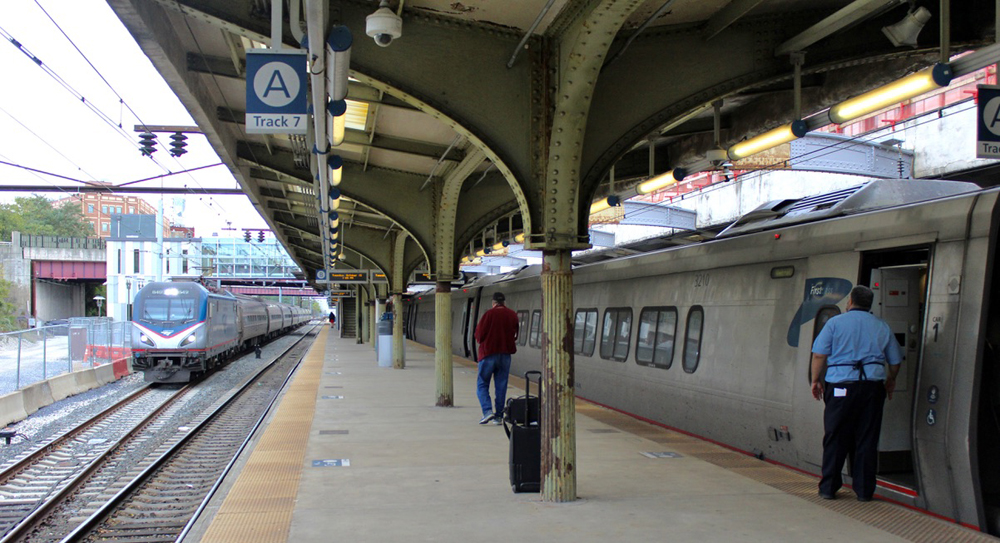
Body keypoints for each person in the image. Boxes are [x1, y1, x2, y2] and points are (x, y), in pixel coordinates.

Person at [810, 285, 902, 502]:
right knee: (867, 438)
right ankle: (864, 491)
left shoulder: (834, 323)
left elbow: (819, 356)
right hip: (872, 389)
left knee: (836, 436)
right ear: (869, 304)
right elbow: (896, 361)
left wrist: (815, 380)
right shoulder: (881, 326)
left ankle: (829, 488)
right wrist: (891, 380)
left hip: (841, 388)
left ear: (850, 301)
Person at [474, 292, 519, 425]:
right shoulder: (512, 314)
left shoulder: (488, 314)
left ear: (493, 303)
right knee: (501, 385)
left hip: (488, 354)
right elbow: (515, 334)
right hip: (505, 355)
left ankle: (487, 412)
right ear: (504, 303)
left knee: (482, 384)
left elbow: (479, 335)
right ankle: (499, 416)